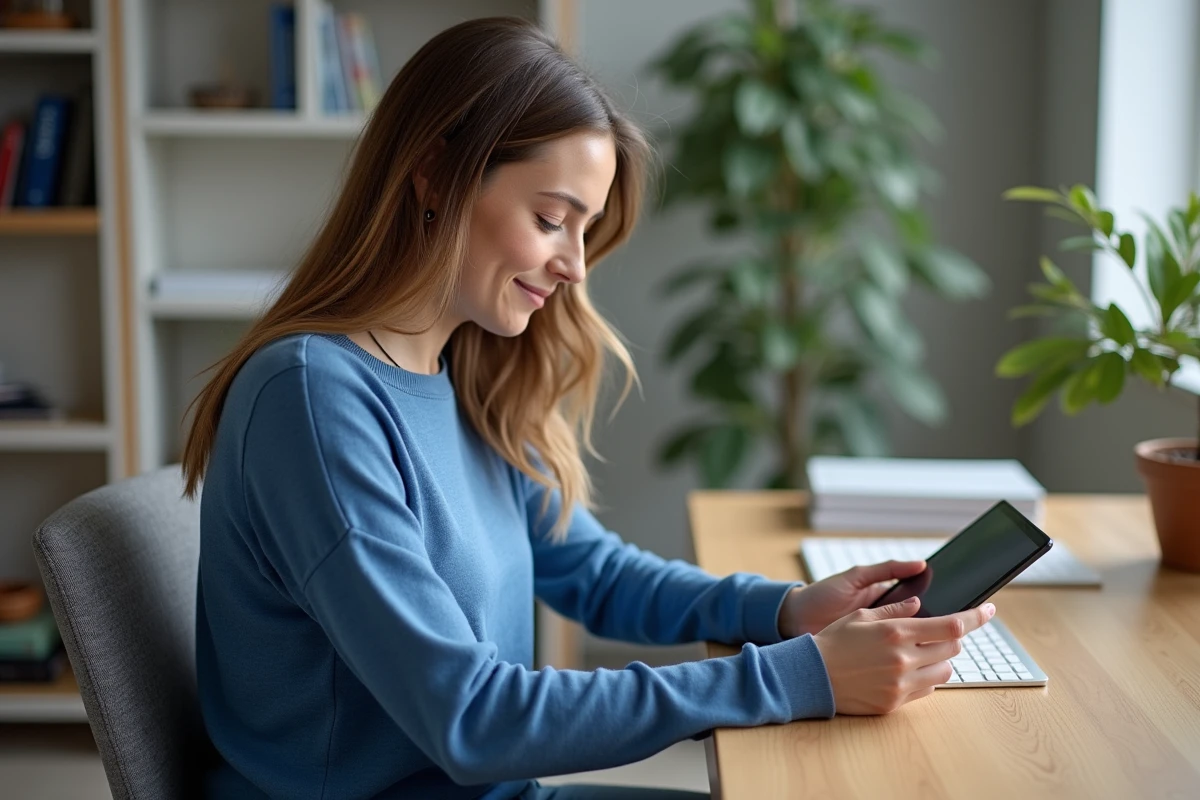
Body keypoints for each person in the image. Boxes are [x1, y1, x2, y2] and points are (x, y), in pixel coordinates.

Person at [180, 16, 992, 800]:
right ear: (433, 171)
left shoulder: (464, 372)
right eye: (549, 219)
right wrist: (796, 676)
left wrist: (780, 610)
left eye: (585, 230)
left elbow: (590, 571)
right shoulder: (314, 402)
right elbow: (473, 720)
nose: (573, 265)